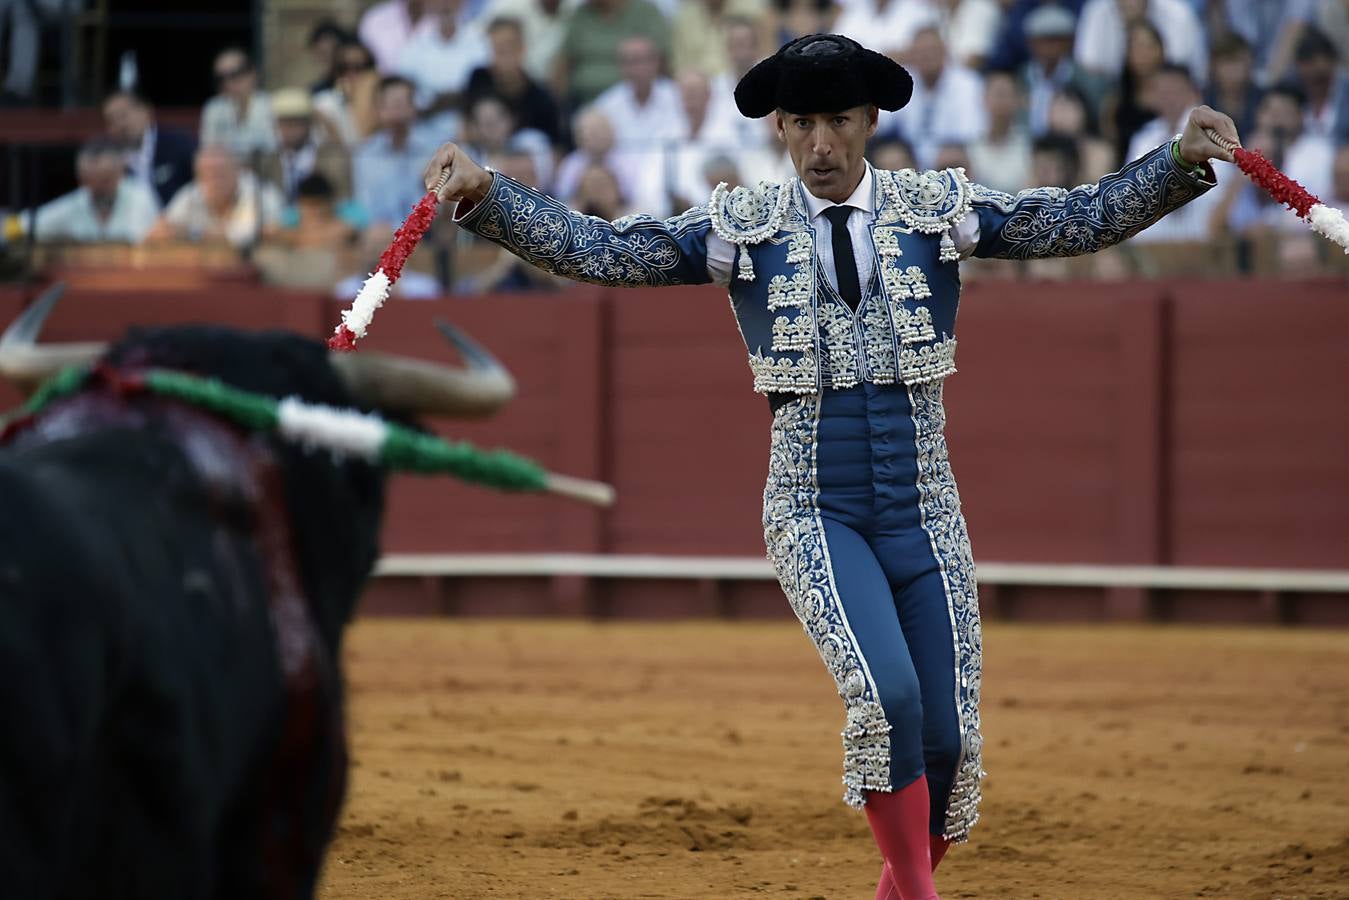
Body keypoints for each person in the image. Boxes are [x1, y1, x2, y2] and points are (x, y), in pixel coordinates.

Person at [419, 32, 1239, 900]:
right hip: (814, 507)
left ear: (870, 120)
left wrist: (1174, 163)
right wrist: (491, 198)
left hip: (924, 509)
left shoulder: (935, 211)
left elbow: (1069, 220)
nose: (820, 145)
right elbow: (607, 251)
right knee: (887, 702)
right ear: (776, 125)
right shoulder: (742, 229)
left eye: (837, 121)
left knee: (949, 744)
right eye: (801, 122)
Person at [6, 138, 159, 244]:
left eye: (104, 180)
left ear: (120, 174)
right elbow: (19, 227)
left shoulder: (140, 198)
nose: (96, 188)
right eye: (88, 181)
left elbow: (147, 243)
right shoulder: (77, 201)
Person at [148, 145, 284, 249]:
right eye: (206, 175)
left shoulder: (259, 193)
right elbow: (162, 229)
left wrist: (191, 234)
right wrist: (165, 232)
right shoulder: (190, 194)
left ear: (238, 171)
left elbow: (245, 238)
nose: (214, 182)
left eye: (220, 174)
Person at [102, 89, 197, 207]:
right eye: (111, 121)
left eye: (123, 115)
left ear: (146, 111)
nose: (120, 125)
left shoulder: (178, 144)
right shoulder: (109, 160)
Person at [260, 88, 353, 203]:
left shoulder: (331, 160)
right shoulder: (267, 163)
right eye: (285, 122)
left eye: (297, 121)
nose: (290, 128)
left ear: (309, 123)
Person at [201, 48, 278, 158]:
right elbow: (209, 150)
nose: (227, 83)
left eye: (234, 74)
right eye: (220, 78)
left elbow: (273, 147)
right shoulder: (214, 108)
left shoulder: (271, 105)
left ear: (253, 73)